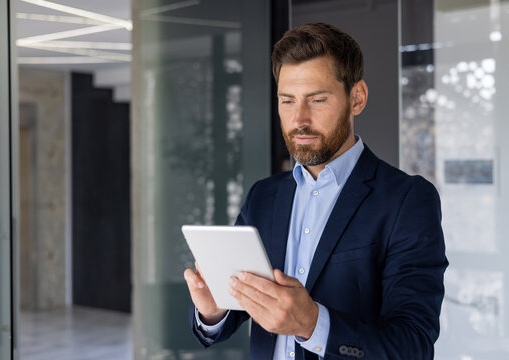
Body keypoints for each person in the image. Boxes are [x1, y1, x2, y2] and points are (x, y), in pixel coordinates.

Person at [184, 22, 448, 359]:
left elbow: (414, 345)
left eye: (317, 99)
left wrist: (312, 325)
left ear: (357, 98)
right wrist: (213, 311)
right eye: (287, 100)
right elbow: (245, 305)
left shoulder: (407, 200)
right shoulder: (263, 197)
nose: (299, 119)